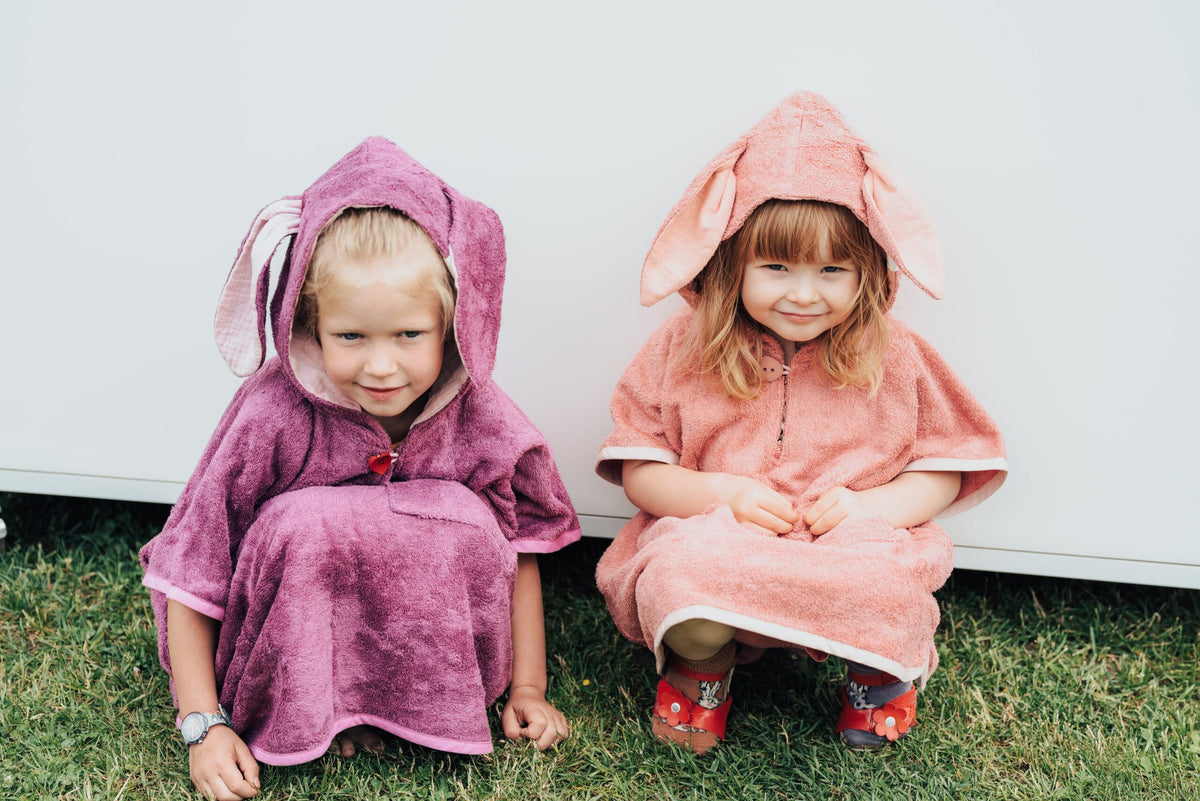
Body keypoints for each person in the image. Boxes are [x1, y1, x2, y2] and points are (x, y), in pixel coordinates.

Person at [141, 137, 579, 800]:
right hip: (284, 656)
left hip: (443, 661)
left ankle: (411, 703)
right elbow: (193, 566)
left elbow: (517, 551)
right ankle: (321, 701)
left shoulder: (481, 414)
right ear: (310, 325)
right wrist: (203, 724)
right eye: (351, 337)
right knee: (307, 522)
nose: (380, 366)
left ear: (451, 324)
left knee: (466, 518)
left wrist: (528, 687)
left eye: (408, 335)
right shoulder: (270, 415)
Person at [594, 92, 1007, 754]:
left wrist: (870, 507)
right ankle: (702, 671)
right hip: (724, 537)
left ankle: (877, 679)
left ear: (867, 270)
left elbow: (943, 469)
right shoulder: (682, 348)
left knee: (889, 584)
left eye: (831, 270)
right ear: (732, 262)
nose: (803, 292)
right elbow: (642, 469)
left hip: (845, 542)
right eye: (777, 266)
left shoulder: (896, 353)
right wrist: (717, 494)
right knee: (680, 574)